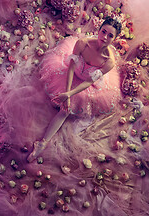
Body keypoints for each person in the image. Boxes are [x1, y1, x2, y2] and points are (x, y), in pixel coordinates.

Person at [27, 16, 122, 162]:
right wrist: (67, 92)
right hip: (71, 74)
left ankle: (42, 144)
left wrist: (70, 94)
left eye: (110, 35)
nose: (105, 37)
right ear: (99, 29)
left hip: (86, 84)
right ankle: (42, 143)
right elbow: (71, 67)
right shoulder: (83, 43)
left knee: (65, 110)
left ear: (114, 38)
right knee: (61, 101)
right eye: (103, 31)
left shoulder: (109, 61)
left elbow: (90, 81)